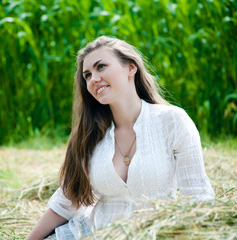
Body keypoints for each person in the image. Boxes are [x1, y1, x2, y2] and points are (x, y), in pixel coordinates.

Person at [25, 36, 214, 240]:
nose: (93, 79)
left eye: (101, 67)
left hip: (157, 234)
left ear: (130, 68)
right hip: (94, 234)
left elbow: (197, 198)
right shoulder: (89, 134)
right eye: (87, 75)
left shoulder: (172, 121)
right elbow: (67, 202)